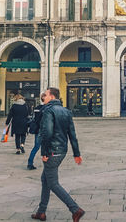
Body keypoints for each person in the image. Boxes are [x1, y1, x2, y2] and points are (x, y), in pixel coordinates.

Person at [31, 87, 84, 222]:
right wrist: (76, 153)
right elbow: (72, 134)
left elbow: (46, 133)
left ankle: (75, 209)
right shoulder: (66, 111)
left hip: (52, 151)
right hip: (62, 151)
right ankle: (41, 212)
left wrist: (45, 152)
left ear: (52, 97)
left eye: (46, 94)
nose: (44, 96)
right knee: (45, 180)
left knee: (53, 183)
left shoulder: (48, 111)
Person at [27, 93, 47, 170]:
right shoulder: (47, 108)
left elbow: (34, 118)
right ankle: (48, 164)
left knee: (36, 147)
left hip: (37, 130)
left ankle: (30, 163)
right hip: (44, 130)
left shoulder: (37, 108)